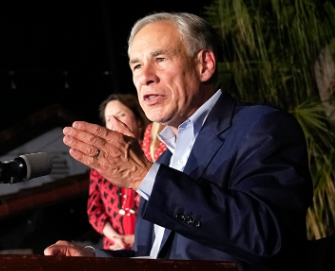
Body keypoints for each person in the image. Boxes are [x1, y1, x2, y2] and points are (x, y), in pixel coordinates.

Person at [45, 12, 313, 271]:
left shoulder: (260, 126)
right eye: (136, 65)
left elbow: (267, 235)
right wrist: (94, 260)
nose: (143, 76)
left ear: (204, 65)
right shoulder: (164, 159)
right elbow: (154, 257)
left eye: (159, 58)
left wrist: (142, 175)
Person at [87, 93, 150, 250]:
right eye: (109, 119)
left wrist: (137, 238)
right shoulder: (100, 165)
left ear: (138, 121)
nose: (114, 122)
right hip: (115, 248)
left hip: (151, 245)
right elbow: (94, 210)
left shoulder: (153, 155)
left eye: (121, 115)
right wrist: (117, 238)